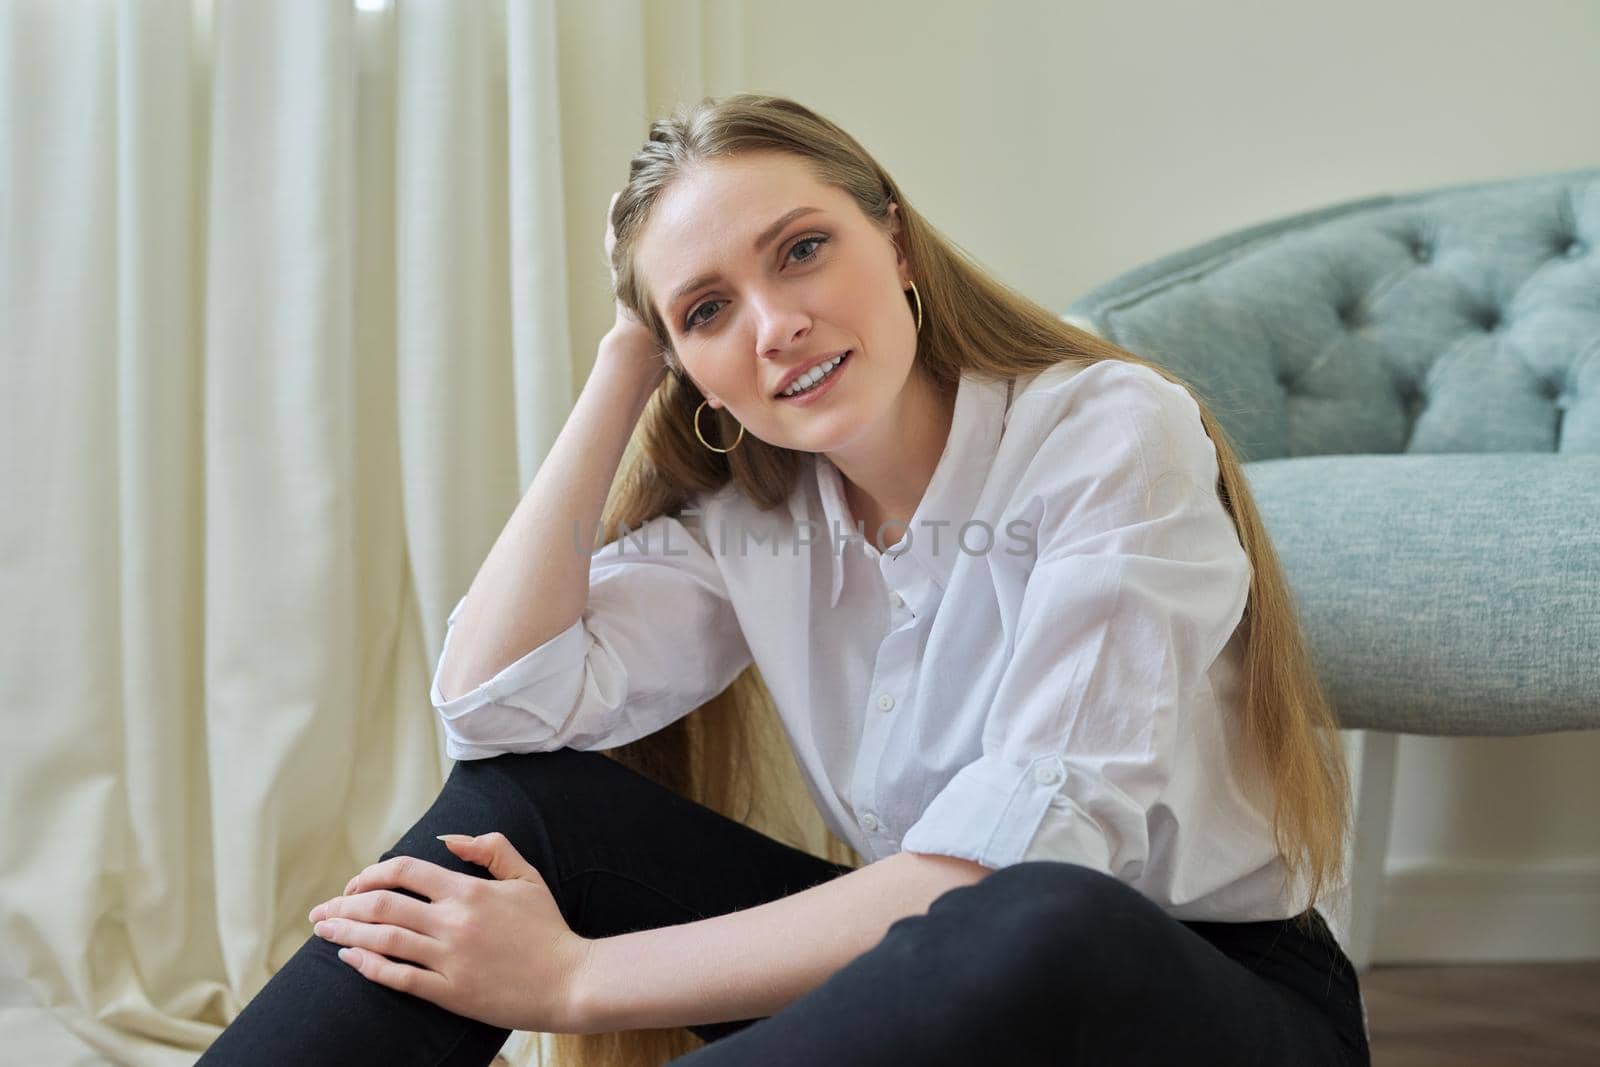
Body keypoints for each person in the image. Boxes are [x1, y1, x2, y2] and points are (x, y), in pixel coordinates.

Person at [198, 93, 1371, 1067]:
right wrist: (623, 366)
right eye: (709, 310)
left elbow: (1027, 849)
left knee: (1035, 911)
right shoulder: (751, 519)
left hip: (1202, 1008)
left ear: (896, 243)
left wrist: (579, 978)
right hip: (929, 992)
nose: (775, 325)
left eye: (801, 249)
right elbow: (498, 702)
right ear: (688, 367)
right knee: (531, 809)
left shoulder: (1106, 427)